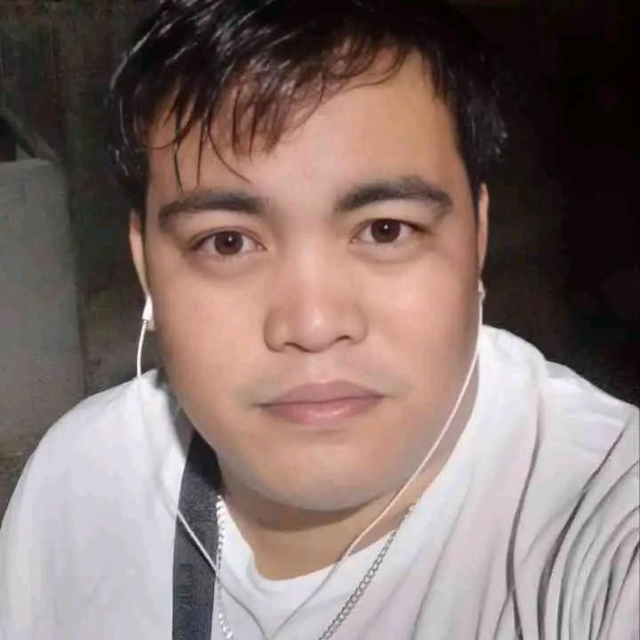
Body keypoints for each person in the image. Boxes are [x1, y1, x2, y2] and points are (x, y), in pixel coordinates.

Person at [1, 1, 638, 638]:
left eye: (385, 230)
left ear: (478, 235)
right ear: (146, 264)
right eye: (227, 241)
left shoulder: (599, 517)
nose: (312, 325)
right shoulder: (80, 486)